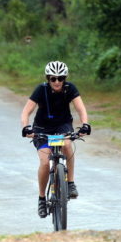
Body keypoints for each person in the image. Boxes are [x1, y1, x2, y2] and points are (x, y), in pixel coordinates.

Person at [20, 61, 91, 218]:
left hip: (62, 126)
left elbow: (81, 108)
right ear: (48, 79)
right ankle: (41, 199)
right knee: (45, 162)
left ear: (64, 78)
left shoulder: (70, 88)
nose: (57, 82)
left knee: (67, 145)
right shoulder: (41, 90)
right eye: (53, 79)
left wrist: (85, 124)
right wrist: (26, 127)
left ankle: (70, 183)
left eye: (60, 78)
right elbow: (26, 112)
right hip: (42, 129)